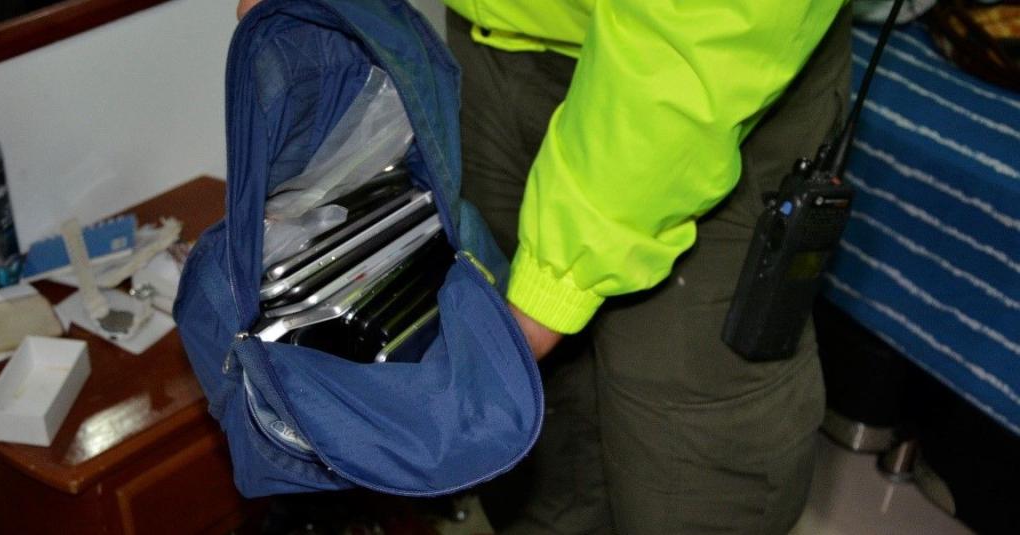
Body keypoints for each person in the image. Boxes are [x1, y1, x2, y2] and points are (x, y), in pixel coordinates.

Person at [238, 1, 851, 532]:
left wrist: (553, 287)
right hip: (491, 43)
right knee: (544, 434)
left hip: (704, 71)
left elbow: (705, 32)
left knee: (688, 458)